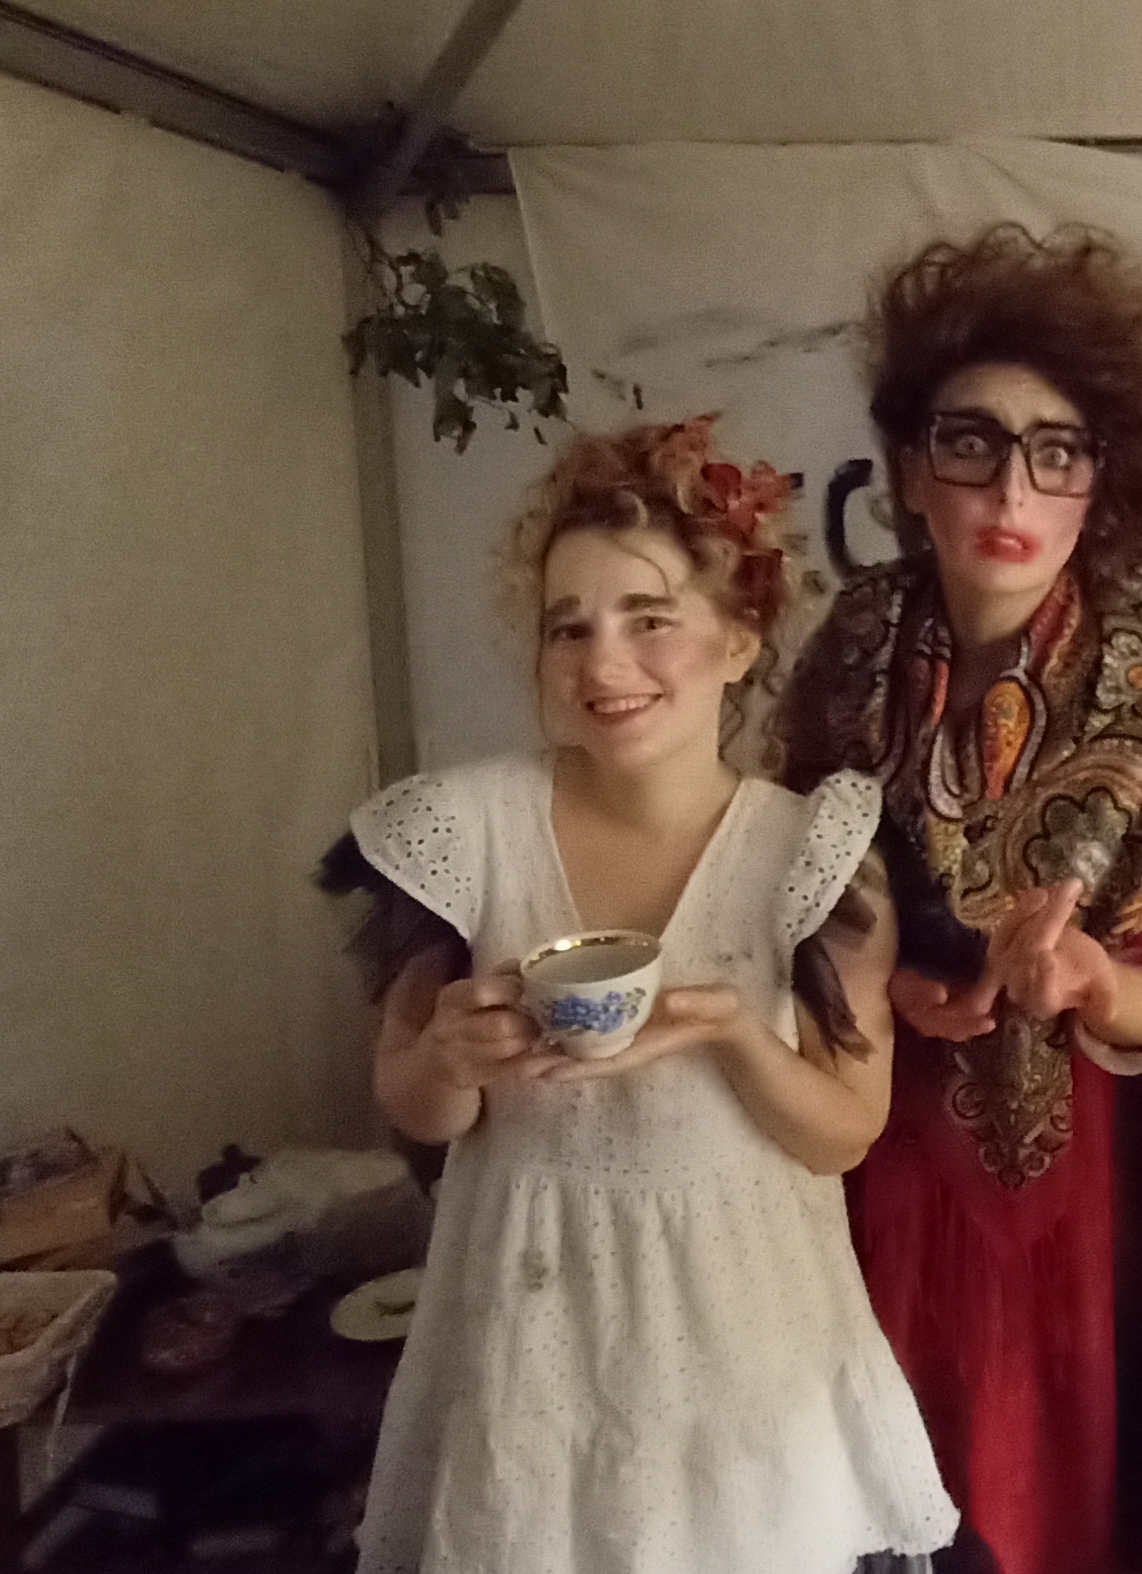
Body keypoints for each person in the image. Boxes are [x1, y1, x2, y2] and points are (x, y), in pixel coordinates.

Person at [322, 421, 958, 1574]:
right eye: (568, 625)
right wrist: (449, 1059)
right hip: (530, 1341)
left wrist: (733, 1033)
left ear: (738, 639)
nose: (603, 660)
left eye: (648, 616)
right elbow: (413, 1104)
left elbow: (845, 1131)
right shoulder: (466, 832)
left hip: (748, 1348)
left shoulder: (812, 855)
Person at [782, 225, 1142, 1574]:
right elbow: (784, 880)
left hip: (1069, 1207)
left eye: (1058, 450)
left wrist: (1093, 981)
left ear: (1107, 480)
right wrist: (871, 973)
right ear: (909, 466)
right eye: (971, 441)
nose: (1011, 487)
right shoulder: (852, 641)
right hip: (860, 1148)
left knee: (1039, 1516)